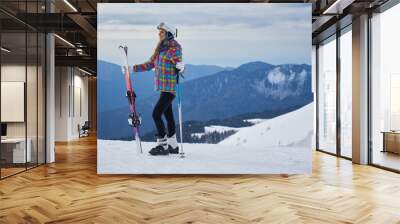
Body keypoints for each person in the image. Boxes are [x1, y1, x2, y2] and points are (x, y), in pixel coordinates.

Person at [131, 22, 185, 156]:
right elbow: (150, 64)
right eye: (159, 32)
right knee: (168, 115)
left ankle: (162, 145)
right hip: (163, 87)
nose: (159, 34)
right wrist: (133, 68)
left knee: (156, 114)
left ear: (168, 34)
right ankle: (173, 145)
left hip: (171, 88)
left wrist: (182, 67)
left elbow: (180, 65)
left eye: (161, 32)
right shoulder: (160, 49)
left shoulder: (175, 48)